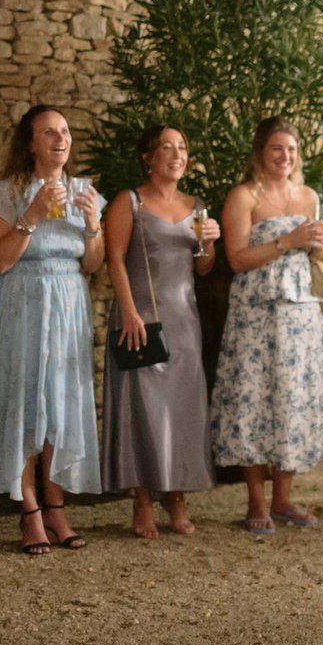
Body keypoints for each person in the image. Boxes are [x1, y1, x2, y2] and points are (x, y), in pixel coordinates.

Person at [0, 105, 105, 553]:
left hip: (68, 304)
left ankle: (57, 506)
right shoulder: (4, 194)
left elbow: (92, 264)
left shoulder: (84, 191)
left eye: (65, 131)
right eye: (49, 132)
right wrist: (32, 212)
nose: (60, 138)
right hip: (21, 303)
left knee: (60, 403)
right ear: (30, 143)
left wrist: (92, 226)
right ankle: (29, 510)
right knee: (25, 402)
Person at [211, 117, 323, 533]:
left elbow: (314, 258)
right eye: (276, 149)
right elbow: (235, 259)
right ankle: (256, 502)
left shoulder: (308, 195)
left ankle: (284, 498)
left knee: (292, 402)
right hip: (256, 314)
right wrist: (289, 241)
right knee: (254, 401)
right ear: (260, 153)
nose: (285, 157)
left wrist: (317, 246)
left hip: (301, 315)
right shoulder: (243, 197)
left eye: (291, 150)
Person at [103, 124, 221, 538]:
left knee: (182, 411)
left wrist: (211, 241)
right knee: (142, 410)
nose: (177, 154)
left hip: (184, 322)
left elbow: (202, 267)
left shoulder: (197, 206)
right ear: (148, 158)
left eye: (182, 147)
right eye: (166, 148)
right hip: (140, 319)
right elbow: (114, 259)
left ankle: (177, 496)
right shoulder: (129, 201)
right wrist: (129, 314)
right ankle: (141, 499)